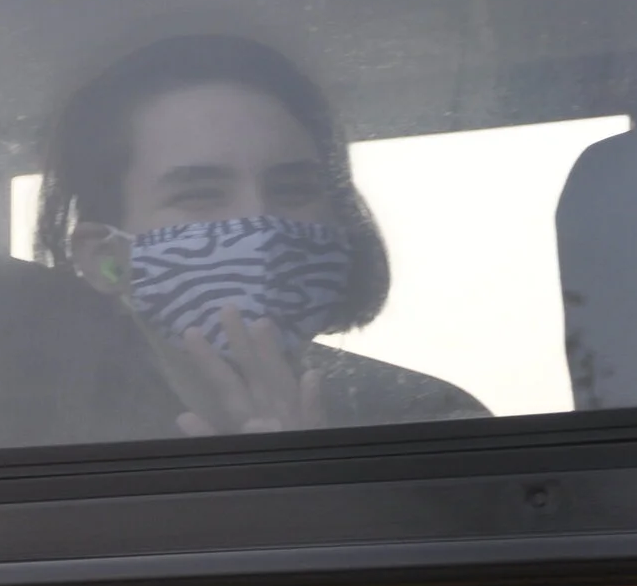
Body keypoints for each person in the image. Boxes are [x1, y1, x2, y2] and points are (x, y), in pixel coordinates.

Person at [27, 33, 484, 441]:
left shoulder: (432, 423)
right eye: (201, 195)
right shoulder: (33, 442)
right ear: (105, 259)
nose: (260, 222)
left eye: (293, 189)